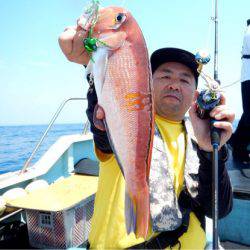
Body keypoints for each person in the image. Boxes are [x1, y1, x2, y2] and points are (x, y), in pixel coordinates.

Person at [59, 26, 234, 249]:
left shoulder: (200, 138)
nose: (174, 84)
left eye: (184, 79)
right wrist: (92, 63)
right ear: (147, 83)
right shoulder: (126, 117)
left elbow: (219, 209)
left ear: (195, 94)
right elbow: (107, 98)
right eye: (165, 75)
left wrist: (211, 151)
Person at [229, 19, 250, 164]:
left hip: (247, 75)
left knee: (249, 112)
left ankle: (237, 142)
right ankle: (238, 145)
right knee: (249, 113)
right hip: (248, 75)